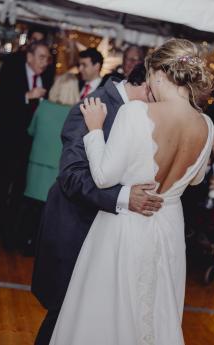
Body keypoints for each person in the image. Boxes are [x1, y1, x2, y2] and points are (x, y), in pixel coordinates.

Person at [47, 38, 214, 345]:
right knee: (155, 307)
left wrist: (95, 129)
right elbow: (195, 179)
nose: (149, 83)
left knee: (108, 310)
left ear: (160, 73)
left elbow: (101, 176)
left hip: (125, 225)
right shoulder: (206, 123)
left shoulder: (136, 113)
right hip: (168, 225)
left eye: (150, 75)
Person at [32, 63, 164, 345]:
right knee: (62, 315)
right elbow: (72, 176)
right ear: (148, 85)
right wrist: (124, 197)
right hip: (75, 226)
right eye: (159, 96)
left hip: (108, 234)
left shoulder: (139, 113)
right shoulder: (94, 106)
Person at [0, 41, 52, 239]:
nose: (45, 62)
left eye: (47, 58)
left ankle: (7, 229)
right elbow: (1, 105)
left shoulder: (47, 79)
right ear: (30, 57)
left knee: (17, 189)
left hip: (29, 146)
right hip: (6, 141)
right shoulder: (13, 73)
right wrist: (27, 96)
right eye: (41, 57)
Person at [17, 73, 80, 256]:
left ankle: (22, 241)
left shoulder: (43, 106)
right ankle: (37, 248)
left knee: (29, 207)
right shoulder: (75, 114)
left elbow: (31, 130)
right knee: (48, 213)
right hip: (57, 168)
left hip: (35, 164)